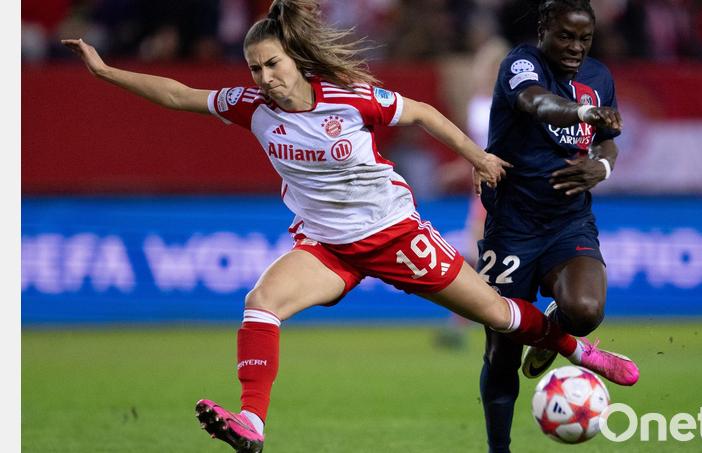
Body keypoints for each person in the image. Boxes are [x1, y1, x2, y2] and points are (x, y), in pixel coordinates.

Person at [62, 1, 638, 451]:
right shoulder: (250, 107)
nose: (263, 78)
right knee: (261, 302)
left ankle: (577, 351)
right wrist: (107, 71)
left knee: (501, 316)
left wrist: (476, 156)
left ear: (297, 61)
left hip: (396, 236)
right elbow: (179, 93)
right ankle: (252, 422)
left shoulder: (350, 98)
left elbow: (419, 111)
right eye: (255, 68)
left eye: (272, 64)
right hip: (326, 247)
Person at [475, 1, 629, 452]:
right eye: (565, 36)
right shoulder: (521, 63)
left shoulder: (599, 77)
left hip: (569, 221)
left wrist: (600, 168)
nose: (576, 48)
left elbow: (607, 144)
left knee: (586, 311)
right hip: (512, 226)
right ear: (544, 29)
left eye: (585, 39)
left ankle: (551, 333)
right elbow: (535, 102)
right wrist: (582, 114)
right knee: (502, 353)